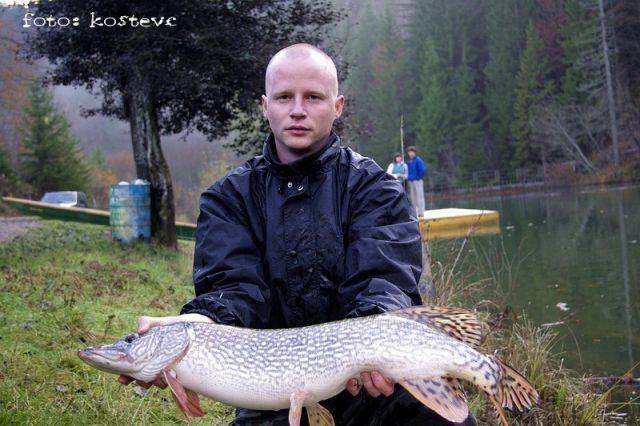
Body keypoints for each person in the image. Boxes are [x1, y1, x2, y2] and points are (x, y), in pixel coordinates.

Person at [119, 43, 475, 426]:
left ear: (337, 106)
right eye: (284, 97)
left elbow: (383, 281)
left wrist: (373, 344)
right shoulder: (228, 198)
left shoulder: (376, 188)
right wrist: (202, 323)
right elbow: (234, 290)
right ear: (265, 105)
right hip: (271, 397)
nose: (298, 110)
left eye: (314, 97)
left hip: (372, 390)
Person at [406, 146, 426, 217]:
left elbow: (422, 169)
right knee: (413, 198)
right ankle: (414, 213)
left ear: (414, 152)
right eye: (409, 152)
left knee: (419, 197)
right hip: (411, 181)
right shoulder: (409, 161)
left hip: (417, 181)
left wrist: (418, 177)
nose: (410, 153)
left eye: (412, 152)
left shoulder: (418, 160)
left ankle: (421, 212)